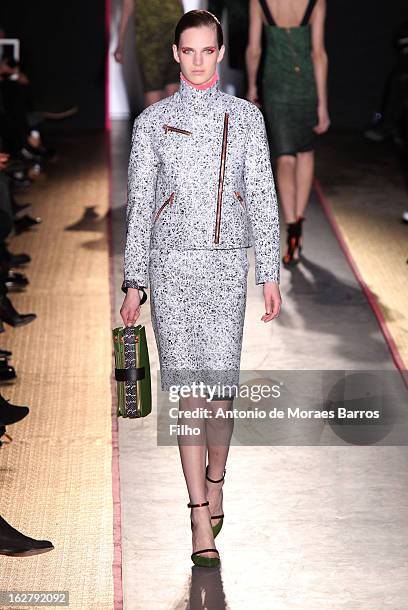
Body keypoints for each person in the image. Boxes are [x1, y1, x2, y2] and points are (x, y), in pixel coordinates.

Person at [120, 10, 281, 568]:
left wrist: (269, 272)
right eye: (187, 50)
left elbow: (261, 193)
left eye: (206, 50)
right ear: (174, 53)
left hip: (224, 268)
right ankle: (196, 514)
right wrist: (134, 281)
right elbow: (139, 205)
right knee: (186, 394)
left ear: (219, 52)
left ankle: (217, 477)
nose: (196, 59)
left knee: (219, 394)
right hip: (169, 269)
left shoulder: (247, 119)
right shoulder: (151, 122)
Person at [246, 0, 330, 264]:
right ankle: (297, 229)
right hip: (305, 85)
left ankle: (291, 223)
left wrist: (251, 87)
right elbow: (318, 54)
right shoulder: (316, 2)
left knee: (284, 157)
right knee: (305, 153)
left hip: (276, 86)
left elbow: (254, 50)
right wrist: (323, 104)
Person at [114, 0, 184, 108]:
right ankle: (152, 123)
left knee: (172, 90)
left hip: (173, 33)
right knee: (154, 94)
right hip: (148, 38)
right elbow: (127, 5)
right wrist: (120, 43)